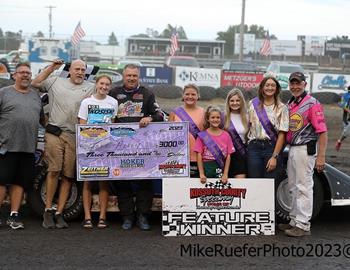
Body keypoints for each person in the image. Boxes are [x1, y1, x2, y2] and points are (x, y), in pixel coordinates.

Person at [31, 59, 95, 229]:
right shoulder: (55, 81)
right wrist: (52, 67)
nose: (80, 72)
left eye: (83, 69)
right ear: (70, 70)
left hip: (75, 136)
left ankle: (59, 213)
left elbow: (103, 98)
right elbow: (35, 83)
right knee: (54, 170)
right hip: (55, 133)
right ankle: (47, 210)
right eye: (77, 69)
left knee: (68, 175)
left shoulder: (90, 87)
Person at [109, 64, 164, 230]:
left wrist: (150, 119)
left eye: (134, 76)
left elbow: (160, 115)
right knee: (122, 181)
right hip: (119, 146)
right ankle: (127, 217)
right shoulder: (113, 93)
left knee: (144, 182)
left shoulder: (147, 93)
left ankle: (143, 216)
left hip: (142, 147)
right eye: (128, 76)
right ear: (123, 76)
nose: (131, 78)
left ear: (138, 77)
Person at [279, 72, 328, 237]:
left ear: (304, 84)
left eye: (298, 83)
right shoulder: (290, 103)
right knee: (292, 186)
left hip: (305, 149)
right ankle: (294, 220)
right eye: (292, 83)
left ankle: (303, 224)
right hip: (292, 148)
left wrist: (321, 156)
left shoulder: (312, 103)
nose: (295, 86)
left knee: (303, 187)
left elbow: (322, 132)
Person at [0, 62, 44, 229]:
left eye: (28, 73)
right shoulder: (4, 93)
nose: (25, 75)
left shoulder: (35, 96)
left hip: (28, 149)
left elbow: (41, 119)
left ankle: (14, 216)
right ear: (14, 75)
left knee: (20, 183)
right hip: (6, 147)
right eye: (22, 72)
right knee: (2, 182)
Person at [78, 74, 118, 229]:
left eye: (107, 84)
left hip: (106, 147)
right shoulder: (86, 102)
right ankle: (87, 217)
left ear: (110, 86)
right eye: (102, 83)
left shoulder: (113, 102)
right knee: (88, 181)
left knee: (104, 182)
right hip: (88, 147)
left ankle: (102, 217)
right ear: (96, 84)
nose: (104, 87)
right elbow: (82, 125)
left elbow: (113, 125)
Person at [246, 76, 289, 179]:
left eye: (273, 85)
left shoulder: (282, 108)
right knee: (255, 182)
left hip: (271, 148)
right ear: (262, 88)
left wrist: (274, 156)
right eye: (267, 85)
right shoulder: (252, 104)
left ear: (277, 89)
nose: (270, 88)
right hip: (254, 148)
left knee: (270, 184)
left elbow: (282, 135)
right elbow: (248, 126)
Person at [168, 84, 205, 177]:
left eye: (193, 94)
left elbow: (207, 135)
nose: (190, 97)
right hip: (178, 156)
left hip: (197, 157)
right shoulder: (174, 112)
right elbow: (167, 135)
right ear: (183, 96)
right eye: (187, 94)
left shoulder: (204, 112)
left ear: (198, 96)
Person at [194, 106, 234, 184]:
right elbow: (199, 155)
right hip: (207, 166)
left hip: (220, 165)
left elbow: (229, 155)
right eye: (212, 117)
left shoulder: (226, 135)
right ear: (208, 119)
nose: (215, 119)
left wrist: (225, 174)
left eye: (218, 117)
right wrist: (201, 174)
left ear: (221, 119)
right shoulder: (202, 136)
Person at [224, 88, 248, 178]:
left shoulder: (247, 117)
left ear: (242, 102)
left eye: (238, 100)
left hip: (241, 155)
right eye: (232, 101)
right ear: (228, 102)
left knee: (240, 185)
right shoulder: (223, 117)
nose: (235, 103)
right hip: (227, 156)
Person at [335, 85, 350, 151]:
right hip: (347, 118)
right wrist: (349, 111)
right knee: (346, 132)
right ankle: (339, 141)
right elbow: (342, 105)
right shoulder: (346, 96)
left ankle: (339, 141)